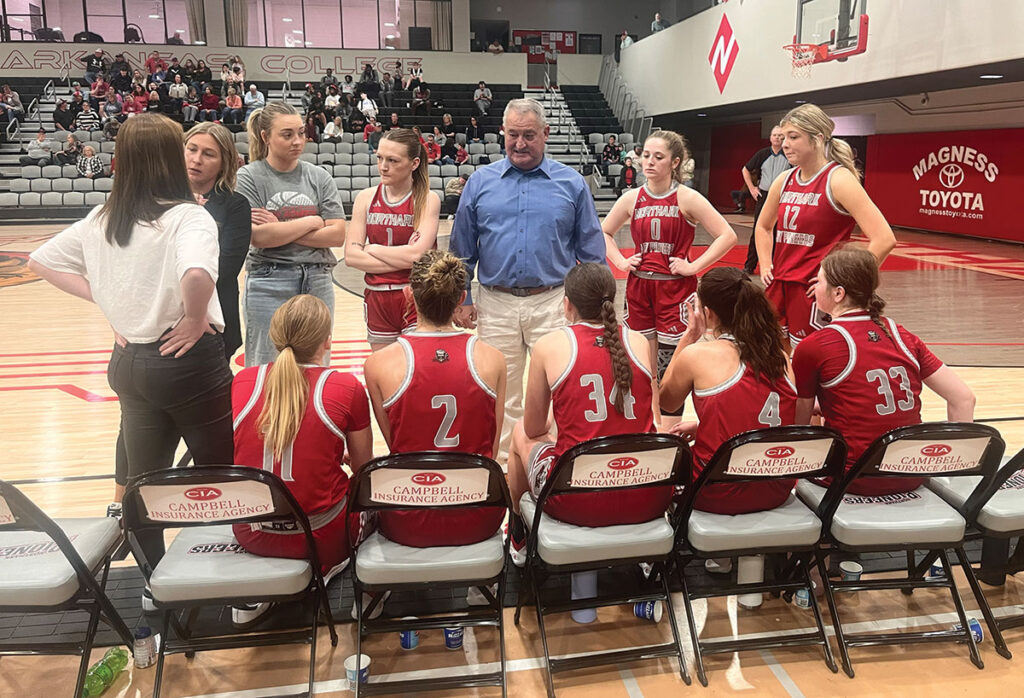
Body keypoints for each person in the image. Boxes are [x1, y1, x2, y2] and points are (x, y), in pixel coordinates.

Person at [29, 113, 234, 589]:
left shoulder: (104, 217)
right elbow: (199, 275)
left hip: (129, 362)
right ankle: (229, 577)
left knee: (143, 482)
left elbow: (41, 262)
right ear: (168, 159)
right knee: (221, 473)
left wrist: (107, 299)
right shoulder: (188, 216)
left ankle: (152, 583)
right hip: (187, 362)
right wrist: (194, 315)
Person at [450, 98, 606, 457]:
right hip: (495, 301)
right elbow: (461, 249)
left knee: (558, 386)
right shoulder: (480, 182)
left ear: (546, 134)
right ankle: (506, 466)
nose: (520, 143)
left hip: (554, 301)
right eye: (513, 135)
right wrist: (463, 298)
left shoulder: (572, 184)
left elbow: (591, 250)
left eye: (529, 135)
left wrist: (591, 307)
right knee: (501, 391)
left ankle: (553, 459)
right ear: (503, 133)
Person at [506, 263, 668, 561]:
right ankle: (644, 557)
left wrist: (560, 422)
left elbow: (532, 429)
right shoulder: (639, 342)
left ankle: (517, 535)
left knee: (519, 433)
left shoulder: (549, 345)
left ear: (567, 305)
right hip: (646, 492)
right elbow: (651, 415)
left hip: (574, 499)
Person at [232, 294, 373, 626]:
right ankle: (331, 570)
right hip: (322, 538)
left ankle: (260, 586)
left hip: (252, 532)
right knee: (375, 493)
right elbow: (363, 469)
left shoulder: (242, 381)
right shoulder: (346, 386)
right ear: (327, 341)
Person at [793, 246, 974, 498]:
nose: (814, 287)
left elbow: (797, 426)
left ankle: (822, 536)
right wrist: (957, 472)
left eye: (819, 280)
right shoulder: (903, 335)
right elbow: (964, 399)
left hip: (854, 478)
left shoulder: (815, 345)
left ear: (838, 293)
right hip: (911, 472)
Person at [363, 249, 506, 548]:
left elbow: (395, 444)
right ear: (460, 299)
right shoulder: (492, 359)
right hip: (477, 513)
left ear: (408, 295)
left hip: (408, 517)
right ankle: (484, 588)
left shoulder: (378, 364)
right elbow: (491, 447)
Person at [601, 130, 736, 421]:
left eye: (658, 157)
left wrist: (694, 266)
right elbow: (604, 232)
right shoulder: (632, 198)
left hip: (675, 290)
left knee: (672, 364)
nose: (649, 161)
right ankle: (649, 423)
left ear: (674, 162)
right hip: (639, 288)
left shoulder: (687, 197)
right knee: (642, 362)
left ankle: (670, 424)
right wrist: (622, 262)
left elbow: (728, 235)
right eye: (645, 155)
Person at [755, 104, 897, 347]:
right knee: (773, 359)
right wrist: (766, 263)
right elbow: (763, 227)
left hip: (814, 290)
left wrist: (845, 280)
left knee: (813, 361)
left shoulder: (839, 180)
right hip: (780, 285)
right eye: (783, 137)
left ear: (817, 139)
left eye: (793, 137)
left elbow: (885, 239)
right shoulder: (784, 180)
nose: (785, 144)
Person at [660, 267, 798, 514]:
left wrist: (689, 336)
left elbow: (666, 402)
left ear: (708, 314)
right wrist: (706, 426)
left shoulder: (697, 355)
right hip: (776, 487)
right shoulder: (779, 355)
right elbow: (765, 413)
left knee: (664, 469)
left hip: (717, 491)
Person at [236, 101, 346, 366]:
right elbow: (258, 237)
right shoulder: (249, 177)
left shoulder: (319, 177)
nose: (297, 141)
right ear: (266, 137)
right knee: (266, 368)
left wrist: (280, 227)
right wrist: (313, 220)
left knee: (315, 368)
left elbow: (338, 235)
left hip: (317, 280)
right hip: (268, 280)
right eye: (287, 135)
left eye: (300, 132)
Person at [344, 128, 441, 349]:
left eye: (392, 160)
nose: (383, 166)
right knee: (383, 370)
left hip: (415, 296)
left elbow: (417, 256)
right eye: (379, 158)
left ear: (414, 164)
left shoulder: (427, 199)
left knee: (418, 371)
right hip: (377, 297)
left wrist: (373, 248)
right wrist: (401, 257)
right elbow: (351, 256)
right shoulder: (366, 198)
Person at [185, 122, 252, 359]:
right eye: (191, 149)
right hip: (163, 319)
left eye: (208, 154)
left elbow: (225, 268)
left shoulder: (236, 205)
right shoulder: (157, 201)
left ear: (223, 162)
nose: (197, 159)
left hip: (216, 321)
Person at [741, 125, 788, 274]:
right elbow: (746, 170)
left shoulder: (789, 155)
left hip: (783, 197)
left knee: (778, 231)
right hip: (765, 195)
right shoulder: (762, 154)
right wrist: (752, 188)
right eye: (775, 135)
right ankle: (750, 265)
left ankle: (774, 265)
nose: (778, 138)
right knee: (758, 229)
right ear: (770, 137)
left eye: (781, 136)